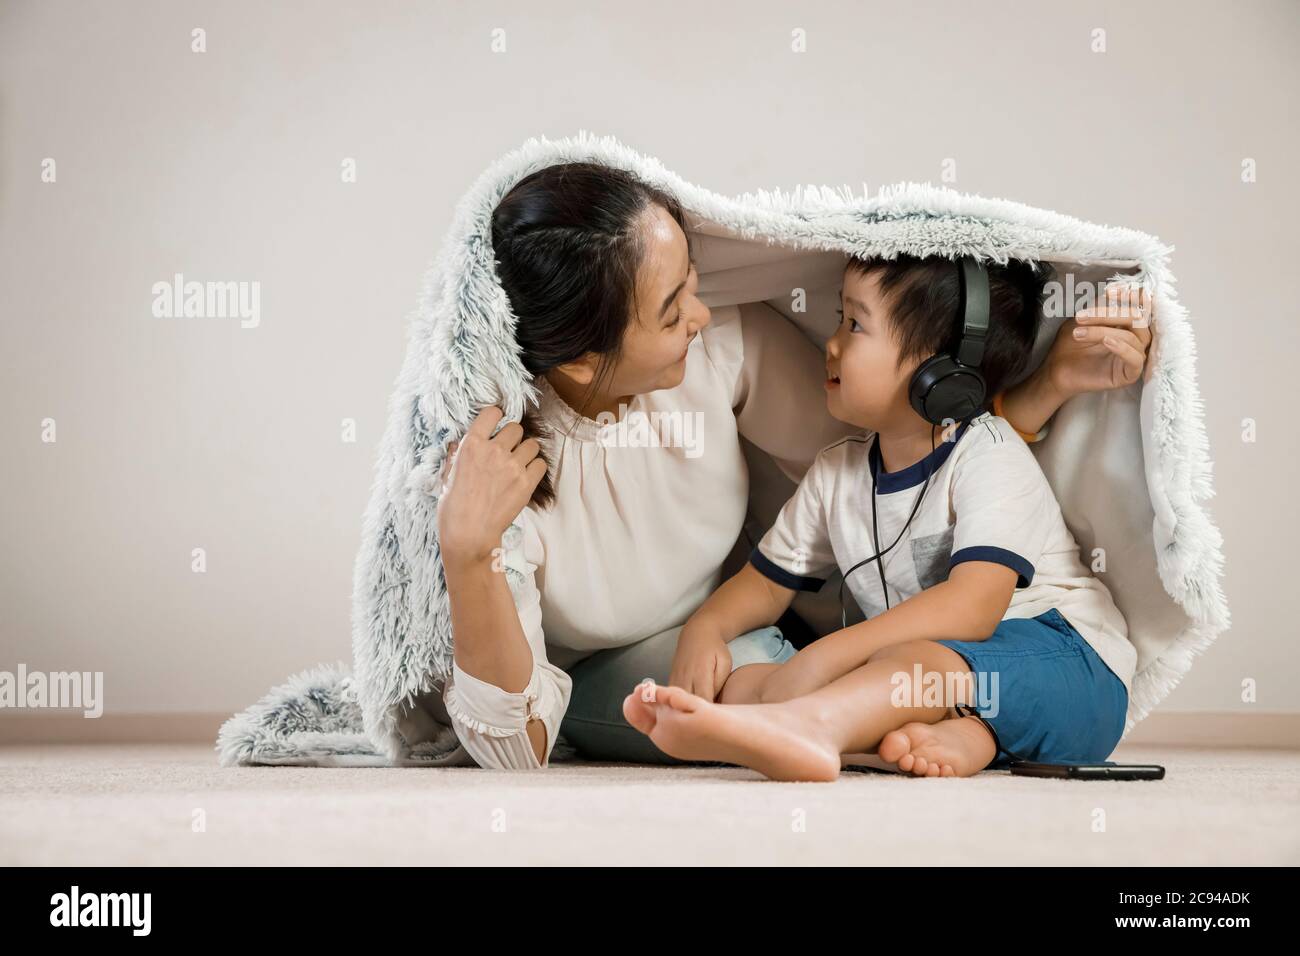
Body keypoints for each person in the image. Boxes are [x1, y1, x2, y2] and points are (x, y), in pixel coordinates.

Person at [434, 162, 1152, 770]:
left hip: (1056, 649)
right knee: (863, 679)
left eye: (694, 282)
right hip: (933, 669)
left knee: (904, 671)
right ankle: (869, 732)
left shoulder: (737, 359)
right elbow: (769, 578)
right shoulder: (501, 465)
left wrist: (1045, 386)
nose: (703, 314)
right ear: (585, 356)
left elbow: (944, 462)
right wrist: (708, 632)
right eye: (670, 306)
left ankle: (817, 725)